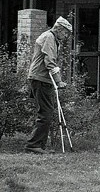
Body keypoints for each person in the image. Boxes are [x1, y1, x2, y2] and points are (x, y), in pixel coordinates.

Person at [24, 16, 73, 154]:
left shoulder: (49, 37)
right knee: (45, 113)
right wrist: (58, 81)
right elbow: (49, 61)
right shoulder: (49, 37)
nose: (65, 37)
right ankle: (34, 145)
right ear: (59, 29)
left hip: (41, 78)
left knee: (46, 111)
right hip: (41, 79)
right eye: (65, 33)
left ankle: (38, 145)